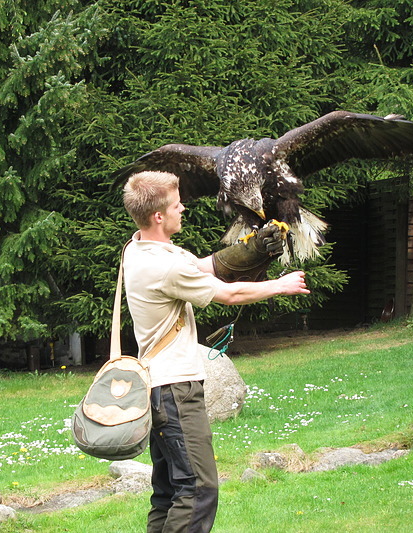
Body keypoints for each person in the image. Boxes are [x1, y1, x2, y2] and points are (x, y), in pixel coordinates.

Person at [121, 170, 310, 533]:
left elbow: (203, 268)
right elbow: (229, 294)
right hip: (176, 391)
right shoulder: (165, 266)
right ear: (159, 216)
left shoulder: (139, 249)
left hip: (157, 389)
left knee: (168, 492)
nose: (183, 209)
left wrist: (251, 247)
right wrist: (280, 285)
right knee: (198, 488)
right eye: (177, 205)